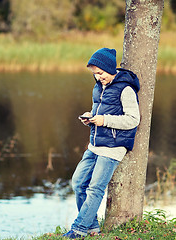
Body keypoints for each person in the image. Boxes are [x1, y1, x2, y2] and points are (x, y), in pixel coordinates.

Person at [63, 48, 140, 239]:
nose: (98, 77)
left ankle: (79, 229)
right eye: (95, 74)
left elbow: (133, 120)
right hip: (95, 145)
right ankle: (92, 227)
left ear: (109, 69)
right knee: (78, 183)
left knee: (95, 188)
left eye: (100, 73)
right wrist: (90, 117)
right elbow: (96, 110)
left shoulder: (126, 89)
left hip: (113, 147)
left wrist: (104, 120)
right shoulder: (98, 87)